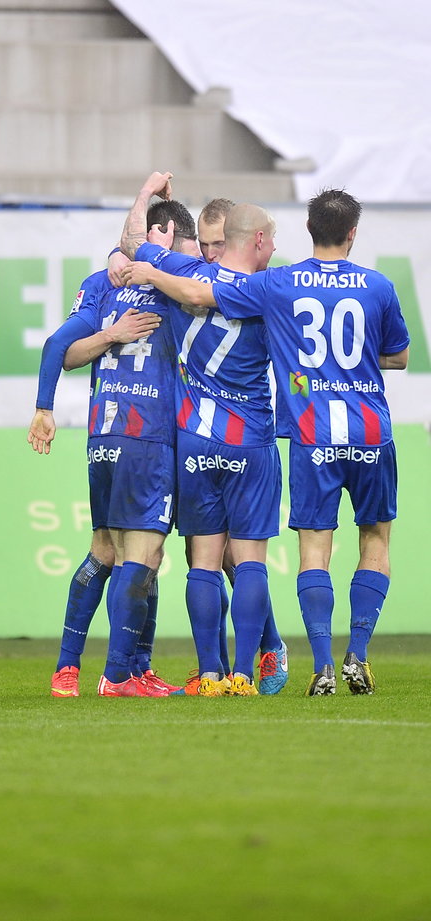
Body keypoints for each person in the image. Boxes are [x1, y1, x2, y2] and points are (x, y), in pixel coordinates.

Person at [131, 190, 410, 695]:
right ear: (352, 233)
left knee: (297, 553)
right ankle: (354, 656)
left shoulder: (276, 285)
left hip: (295, 437)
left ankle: (313, 665)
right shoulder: (379, 286)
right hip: (363, 431)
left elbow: (190, 290)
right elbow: (399, 355)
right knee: (373, 540)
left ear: (309, 230)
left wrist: (148, 260)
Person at [28, 173, 184, 697]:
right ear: (165, 237)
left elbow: (62, 350)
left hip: (104, 438)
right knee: (143, 552)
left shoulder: (105, 282)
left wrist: (45, 406)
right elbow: (64, 351)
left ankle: (79, 667)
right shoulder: (173, 285)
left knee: (107, 551)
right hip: (147, 435)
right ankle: (119, 673)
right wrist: (113, 334)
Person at [122, 201, 287, 696]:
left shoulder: (181, 269)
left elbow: (133, 243)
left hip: (195, 441)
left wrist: (143, 213)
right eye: (272, 239)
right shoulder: (270, 288)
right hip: (252, 442)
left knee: (205, 561)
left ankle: (210, 674)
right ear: (258, 241)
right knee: (251, 561)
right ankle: (242, 673)